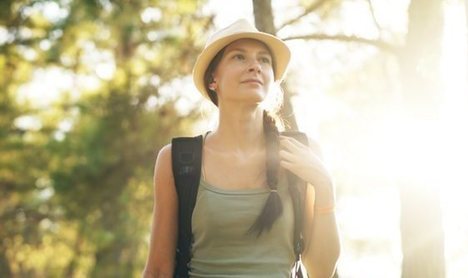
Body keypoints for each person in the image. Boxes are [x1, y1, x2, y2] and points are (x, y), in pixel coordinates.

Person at [143, 19, 340, 277]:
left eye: (264, 60)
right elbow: (158, 270)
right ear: (213, 79)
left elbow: (322, 271)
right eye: (239, 57)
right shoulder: (177, 160)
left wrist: (325, 186)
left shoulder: (303, 153)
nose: (255, 67)